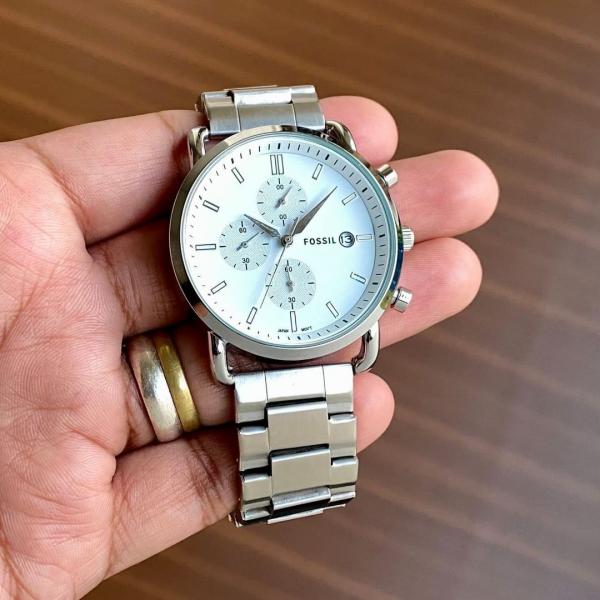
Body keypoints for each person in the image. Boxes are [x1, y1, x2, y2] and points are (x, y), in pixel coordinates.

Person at [0, 96, 498, 598]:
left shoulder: (338, 180)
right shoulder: (208, 159)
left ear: (397, 236)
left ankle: (300, 487)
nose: (287, 239)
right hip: (243, 334)